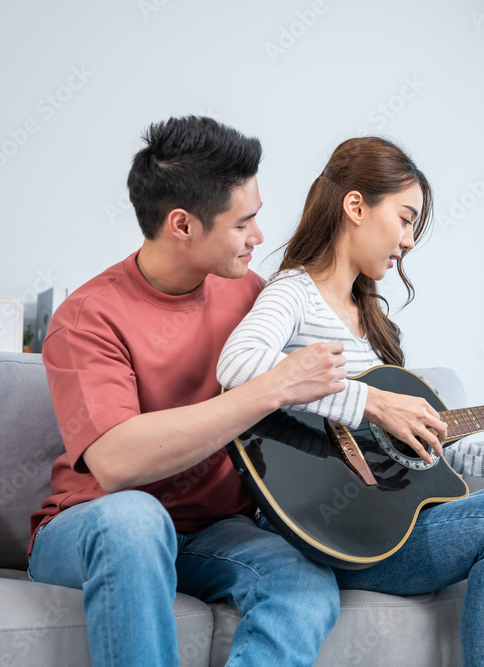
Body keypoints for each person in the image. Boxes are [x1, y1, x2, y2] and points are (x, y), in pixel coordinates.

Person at [217, 136, 484, 667]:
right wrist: (369, 402)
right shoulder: (292, 292)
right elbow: (238, 365)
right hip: (331, 532)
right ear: (356, 206)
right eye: (406, 218)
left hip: (391, 518)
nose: (409, 241)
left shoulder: (378, 330)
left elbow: (419, 461)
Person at [28, 116, 350, 667]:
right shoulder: (86, 318)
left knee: (304, 581)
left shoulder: (249, 294)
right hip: (95, 524)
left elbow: (321, 385)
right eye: (243, 222)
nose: (259, 237)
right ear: (182, 224)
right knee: (136, 520)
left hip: (213, 533)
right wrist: (270, 387)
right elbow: (117, 462)